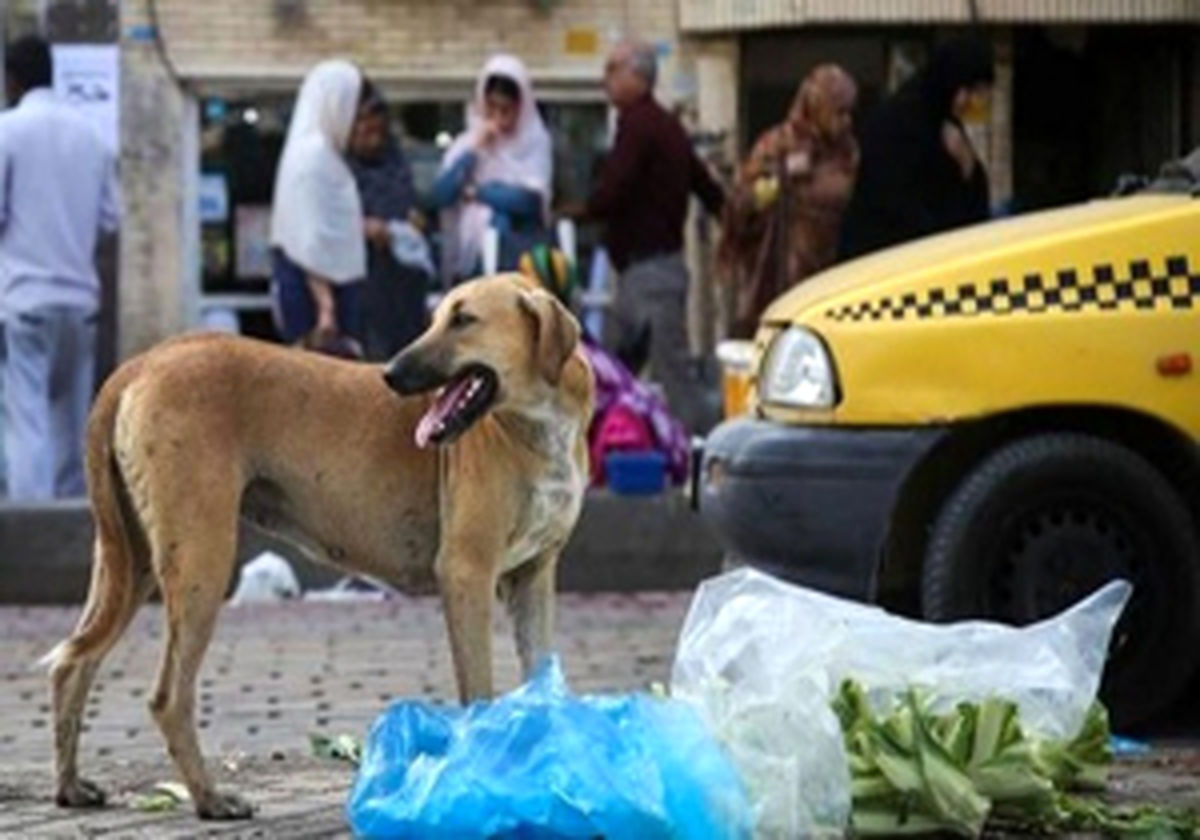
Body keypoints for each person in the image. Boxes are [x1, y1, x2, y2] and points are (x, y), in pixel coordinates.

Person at [580, 40, 725, 432]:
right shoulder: (664, 125)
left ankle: (699, 447)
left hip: (651, 270)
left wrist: (577, 210)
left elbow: (613, 189)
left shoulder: (640, 125)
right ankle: (607, 440)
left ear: (637, 76)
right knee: (618, 364)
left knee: (669, 368)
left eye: (612, 69)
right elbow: (706, 187)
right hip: (646, 269)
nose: (604, 80)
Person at [0, 36, 119, 499]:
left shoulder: (8, 130)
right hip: (79, 300)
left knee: (26, 417)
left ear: (11, 79)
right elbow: (112, 218)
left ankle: (31, 532)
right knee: (71, 419)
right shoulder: (90, 135)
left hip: (25, 297)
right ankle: (76, 519)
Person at [720, 64, 859, 337]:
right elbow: (739, 205)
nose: (846, 122)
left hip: (833, 275)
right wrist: (781, 178)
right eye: (838, 112)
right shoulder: (777, 145)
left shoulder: (847, 151)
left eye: (849, 112)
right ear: (817, 107)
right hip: (782, 277)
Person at [839, 36, 995, 261]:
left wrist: (968, 167)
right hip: (884, 268)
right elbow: (896, 207)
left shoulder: (945, 126)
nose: (967, 101)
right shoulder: (896, 126)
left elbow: (973, 210)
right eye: (968, 90)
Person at [270, 59, 372, 353]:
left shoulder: (322, 153)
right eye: (352, 104)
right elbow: (309, 243)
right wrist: (326, 309)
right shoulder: (313, 158)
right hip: (316, 305)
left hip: (326, 298)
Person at [432, 54, 552, 284]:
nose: (498, 118)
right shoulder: (468, 142)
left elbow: (529, 201)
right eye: (491, 108)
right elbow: (441, 193)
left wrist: (478, 193)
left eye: (506, 110)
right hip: (470, 261)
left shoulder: (534, 142)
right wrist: (474, 152)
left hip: (519, 260)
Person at [347, 90, 430, 360]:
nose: (372, 133)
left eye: (377, 123)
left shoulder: (396, 163)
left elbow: (412, 204)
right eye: (363, 123)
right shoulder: (340, 171)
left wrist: (415, 222)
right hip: (363, 284)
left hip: (403, 286)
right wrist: (361, 227)